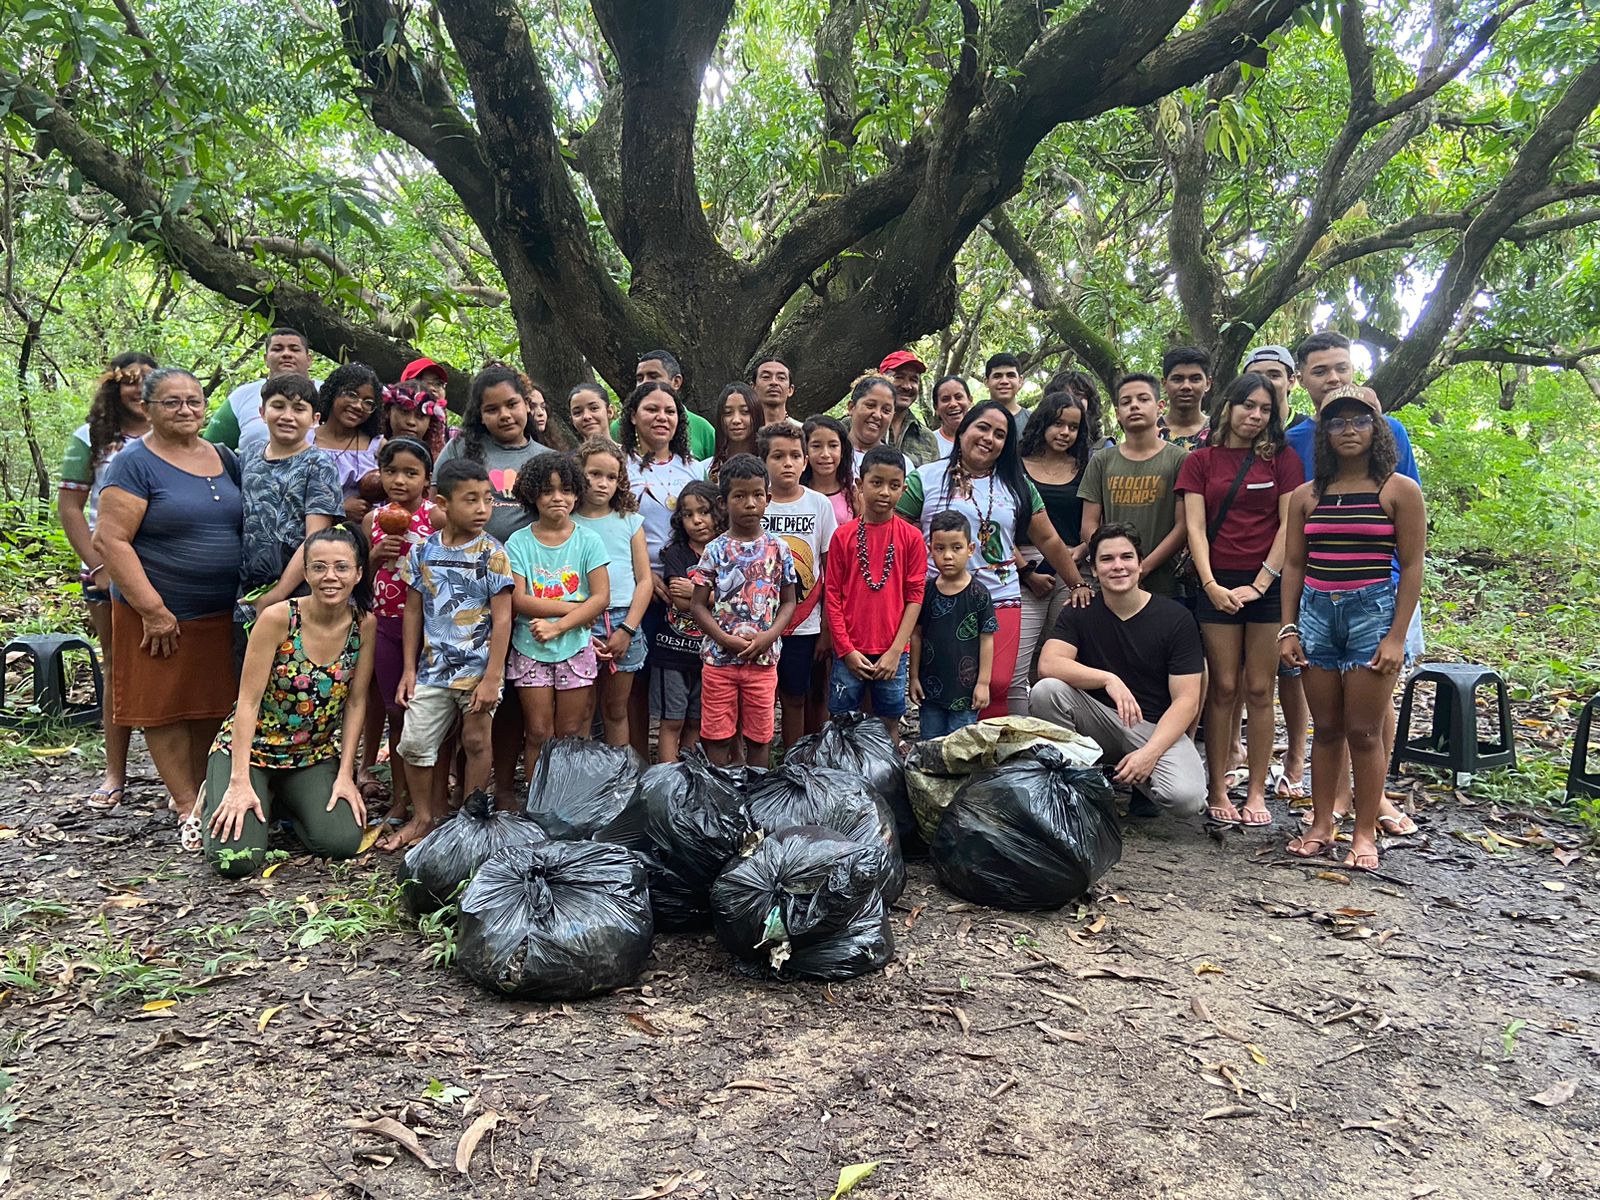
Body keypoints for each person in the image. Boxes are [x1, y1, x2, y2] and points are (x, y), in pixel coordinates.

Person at [94, 368, 244, 849]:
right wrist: (154, 609)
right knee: (165, 709)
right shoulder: (134, 464)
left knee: (210, 706)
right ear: (149, 408)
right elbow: (110, 540)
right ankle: (184, 805)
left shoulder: (224, 457)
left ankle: (206, 794)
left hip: (220, 611)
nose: (186, 410)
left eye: (195, 401)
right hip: (159, 614)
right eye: (173, 402)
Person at [1279, 385, 1426, 871]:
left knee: (1363, 731)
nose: (1348, 430)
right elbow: (1295, 566)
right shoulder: (1307, 496)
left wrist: (1397, 636)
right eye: (1337, 422)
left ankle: (1364, 833)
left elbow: (1412, 566)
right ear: (1324, 432)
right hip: (1318, 614)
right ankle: (1322, 824)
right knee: (1327, 729)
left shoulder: (1398, 491)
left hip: (1372, 612)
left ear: (1376, 429)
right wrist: (1288, 628)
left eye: (1359, 421)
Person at [898, 401, 1091, 720]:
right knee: (945, 684)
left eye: (1000, 434)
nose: (989, 438)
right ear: (963, 431)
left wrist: (1077, 582)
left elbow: (1048, 539)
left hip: (998, 598)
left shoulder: (1018, 486)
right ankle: (945, 756)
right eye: (983, 428)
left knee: (997, 683)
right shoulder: (925, 478)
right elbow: (895, 532)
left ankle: (992, 765)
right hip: (938, 601)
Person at [203, 528, 376, 878]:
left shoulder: (364, 625)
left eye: (342, 567)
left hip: (310, 755)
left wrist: (347, 774)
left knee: (341, 841)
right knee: (236, 860)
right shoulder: (280, 618)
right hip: (253, 751)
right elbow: (247, 702)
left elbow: (356, 702)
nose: (330, 576)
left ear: (358, 574)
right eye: (319, 567)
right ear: (306, 573)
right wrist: (238, 779)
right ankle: (223, 787)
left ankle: (283, 799)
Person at [1175, 373, 1302, 825]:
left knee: (1259, 688)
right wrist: (1210, 585)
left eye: (1265, 409)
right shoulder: (1200, 461)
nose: (1255, 416)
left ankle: (1256, 793)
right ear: (1228, 405)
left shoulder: (1282, 460)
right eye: (1248, 405)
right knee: (1224, 686)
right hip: (1217, 583)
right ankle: (1216, 787)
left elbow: (1290, 525)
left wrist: (1264, 582)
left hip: (1266, 585)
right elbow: (1194, 527)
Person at [1030, 524, 1206, 816]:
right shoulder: (1081, 609)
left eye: (1126, 557)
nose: (1118, 566)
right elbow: (1048, 664)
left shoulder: (1175, 618)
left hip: (1152, 727)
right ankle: (1077, 785)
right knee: (1047, 691)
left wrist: (1149, 755)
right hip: (1097, 720)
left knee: (1186, 799)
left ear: (1139, 563)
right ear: (1095, 570)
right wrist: (1107, 679)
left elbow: (1187, 701)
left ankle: (1139, 778)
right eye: (1107, 559)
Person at [387, 458, 515, 850]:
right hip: (432, 670)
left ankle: (471, 819)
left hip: (477, 670)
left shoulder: (491, 553)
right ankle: (424, 817)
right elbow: (412, 610)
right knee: (414, 743)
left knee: (477, 742)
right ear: (442, 503)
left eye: (488, 500)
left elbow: (503, 619)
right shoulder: (423, 550)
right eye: (471, 500)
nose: (482, 509)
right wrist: (408, 669)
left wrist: (493, 676)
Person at [58, 351, 154, 810]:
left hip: (165, 566)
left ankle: (184, 771)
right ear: (115, 388)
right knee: (117, 664)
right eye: (129, 383)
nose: (137, 391)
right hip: (106, 570)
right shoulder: (91, 438)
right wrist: (96, 562)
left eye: (146, 382)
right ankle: (115, 773)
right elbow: (71, 508)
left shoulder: (173, 434)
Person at [689, 454, 797, 769]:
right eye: (739, 496)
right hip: (720, 661)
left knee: (760, 737)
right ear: (723, 502)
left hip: (763, 662)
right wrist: (724, 638)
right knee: (718, 736)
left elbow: (789, 601)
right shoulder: (715, 550)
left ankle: (759, 798)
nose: (749, 503)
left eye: (757, 495)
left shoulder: (779, 549)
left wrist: (769, 637)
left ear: (768, 498)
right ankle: (720, 798)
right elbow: (697, 604)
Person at [619, 378, 708, 759]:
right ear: (634, 417)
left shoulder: (694, 469)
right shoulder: (619, 467)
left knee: (687, 678)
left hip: (687, 590)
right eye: (652, 409)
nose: (661, 417)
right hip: (636, 585)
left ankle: (684, 765)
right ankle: (637, 761)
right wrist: (644, 575)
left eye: (670, 411)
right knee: (636, 681)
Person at [505, 452, 610, 773]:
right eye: (547, 491)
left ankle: (566, 805)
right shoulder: (518, 542)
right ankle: (537, 805)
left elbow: (602, 597)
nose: (557, 498)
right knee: (537, 732)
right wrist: (576, 608)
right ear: (531, 494)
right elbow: (519, 600)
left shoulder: (589, 540)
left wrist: (558, 626)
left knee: (571, 732)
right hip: (530, 649)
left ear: (577, 493)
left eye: (565, 489)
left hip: (575, 647)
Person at [823, 445, 927, 744]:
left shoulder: (911, 538)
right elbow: (832, 595)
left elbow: (915, 597)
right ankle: (839, 783)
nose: (884, 492)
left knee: (889, 723)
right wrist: (846, 649)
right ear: (859, 484)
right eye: (876, 483)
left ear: (903, 489)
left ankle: (887, 784)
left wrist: (896, 651)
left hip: (892, 652)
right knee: (842, 724)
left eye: (894, 486)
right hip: (850, 650)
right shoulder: (843, 536)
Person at [1242, 343, 1308, 796]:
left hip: (1297, 570)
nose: (1268, 383)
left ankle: (1296, 755)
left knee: (1293, 670)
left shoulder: (1300, 437)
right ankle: (1233, 756)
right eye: (1257, 377)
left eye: (1275, 375)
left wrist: (1266, 577)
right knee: (1239, 678)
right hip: (1230, 576)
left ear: (1291, 380)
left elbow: (1290, 519)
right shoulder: (1223, 444)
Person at [234, 374, 343, 648]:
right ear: (262, 412)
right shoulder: (249, 456)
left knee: (290, 676)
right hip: (248, 586)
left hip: (297, 588)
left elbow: (316, 539)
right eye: (278, 405)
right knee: (246, 671)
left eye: (299, 409)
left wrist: (277, 595)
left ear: (315, 419)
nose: (287, 416)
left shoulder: (318, 464)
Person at [361, 438, 436, 817]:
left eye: (411, 473)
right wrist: (374, 556)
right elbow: (360, 578)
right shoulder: (373, 520)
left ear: (426, 479)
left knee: (434, 709)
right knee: (396, 712)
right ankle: (400, 798)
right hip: (385, 624)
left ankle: (436, 795)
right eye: (391, 472)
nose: (400, 481)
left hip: (430, 627)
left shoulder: (434, 517)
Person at [1013, 386, 1094, 715]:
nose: (1065, 433)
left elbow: (1096, 520)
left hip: (1074, 567)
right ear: (1042, 423)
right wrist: (1024, 569)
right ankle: (1020, 734)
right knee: (1019, 658)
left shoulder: (1086, 466)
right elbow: (999, 521)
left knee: (1062, 657)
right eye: (1058, 424)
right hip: (1023, 567)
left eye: (1073, 427)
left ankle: (1060, 732)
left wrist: (1083, 551)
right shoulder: (1015, 465)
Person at [760, 422, 837, 747]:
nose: (788, 463)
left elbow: (829, 568)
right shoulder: (757, 503)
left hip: (805, 624)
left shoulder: (819, 504)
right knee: (760, 696)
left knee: (795, 696)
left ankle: (793, 759)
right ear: (763, 460)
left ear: (805, 461)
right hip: (758, 622)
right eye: (778, 456)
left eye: (795, 455)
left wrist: (826, 629)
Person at [1078, 373, 1189, 598]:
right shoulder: (1102, 460)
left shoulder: (1180, 459)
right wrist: (1115, 563)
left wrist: (1142, 568)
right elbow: (1088, 524)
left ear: (1160, 407)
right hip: (1113, 582)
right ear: (1118, 413)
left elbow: (1183, 526)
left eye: (1143, 399)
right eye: (1126, 402)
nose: (1135, 406)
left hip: (1163, 582)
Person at [571, 438, 652, 747]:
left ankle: (620, 783)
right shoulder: (567, 521)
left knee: (616, 709)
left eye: (611, 477)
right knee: (582, 710)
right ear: (579, 474)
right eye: (594, 474)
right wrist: (578, 626)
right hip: (580, 621)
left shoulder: (629, 521)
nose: (602, 483)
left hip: (623, 620)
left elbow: (644, 580)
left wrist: (628, 629)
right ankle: (584, 781)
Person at [435, 364, 546, 544]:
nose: (504, 415)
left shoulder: (547, 459)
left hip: (527, 564)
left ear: (526, 404)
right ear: (480, 415)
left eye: (511, 404)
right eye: (492, 409)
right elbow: (436, 504)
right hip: (467, 559)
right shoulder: (459, 447)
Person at [909, 512, 997, 738]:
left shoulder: (979, 594)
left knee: (960, 749)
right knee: (930, 745)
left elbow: (986, 639)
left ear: (970, 549)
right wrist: (914, 678)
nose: (948, 556)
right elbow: (916, 635)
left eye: (956, 548)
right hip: (930, 691)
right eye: (940, 548)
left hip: (965, 692)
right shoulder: (926, 591)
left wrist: (983, 683)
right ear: (930, 549)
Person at [653, 481, 719, 762]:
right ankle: (668, 782)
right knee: (672, 722)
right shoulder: (677, 553)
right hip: (672, 651)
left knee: (696, 721)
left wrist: (699, 594)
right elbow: (680, 601)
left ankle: (689, 779)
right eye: (688, 514)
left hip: (710, 654)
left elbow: (735, 596)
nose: (697, 521)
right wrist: (714, 596)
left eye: (703, 512)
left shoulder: (726, 550)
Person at [205, 328, 317, 457]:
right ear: (266, 359)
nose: (286, 354)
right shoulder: (242, 396)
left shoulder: (328, 393)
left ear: (309, 359)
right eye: (277, 349)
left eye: (294, 349)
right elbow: (209, 449)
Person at [311, 363, 384, 523]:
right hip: (310, 536)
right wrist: (339, 509)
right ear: (333, 393)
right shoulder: (306, 441)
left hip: (362, 539)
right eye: (351, 395)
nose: (358, 405)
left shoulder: (378, 446)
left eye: (368, 402)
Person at [629, 350, 717, 460]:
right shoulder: (618, 427)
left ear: (676, 382)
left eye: (653, 376)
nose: (645, 383)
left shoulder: (703, 429)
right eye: (640, 379)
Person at [879, 350, 940, 466]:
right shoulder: (856, 426)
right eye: (899, 377)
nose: (907, 386)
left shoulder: (927, 438)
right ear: (881, 380)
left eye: (913, 380)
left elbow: (932, 481)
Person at [846, 374, 913, 475]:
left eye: (886, 410)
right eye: (870, 405)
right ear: (852, 407)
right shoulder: (830, 456)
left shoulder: (902, 464)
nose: (877, 415)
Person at [802, 414, 856, 528]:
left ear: (842, 451)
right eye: (816, 446)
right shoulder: (796, 492)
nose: (825, 454)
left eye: (833, 445)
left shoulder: (853, 494)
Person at [381, 381, 448, 464]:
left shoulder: (439, 463)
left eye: (420, 416)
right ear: (389, 411)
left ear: (430, 422)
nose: (411, 422)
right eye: (404, 412)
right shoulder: (369, 449)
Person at [707, 381, 759, 483]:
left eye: (745, 412)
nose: (736, 420)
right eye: (728, 413)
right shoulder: (705, 469)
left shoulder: (771, 466)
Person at [1160, 347, 1211, 448]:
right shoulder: (1149, 432)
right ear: (1164, 384)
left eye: (1195, 379)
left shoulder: (1219, 432)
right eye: (1177, 379)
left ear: (1207, 384)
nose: (1186, 386)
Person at [930, 375, 974, 459]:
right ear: (936, 408)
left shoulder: (981, 440)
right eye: (945, 399)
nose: (953, 404)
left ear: (970, 401)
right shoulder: (928, 443)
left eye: (958, 397)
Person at [984, 353, 1027, 436]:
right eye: (997, 376)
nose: (1004, 381)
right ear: (986, 382)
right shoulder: (974, 419)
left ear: (1020, 381)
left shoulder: (1032, 420)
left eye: (1010, 375)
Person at [752, 357, 798, 426]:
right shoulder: (742, 431)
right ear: (753, 387)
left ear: (790, 390)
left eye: (781, 378)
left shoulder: (804, 433)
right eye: (766, 377)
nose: (774, 382)